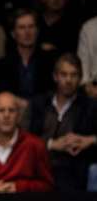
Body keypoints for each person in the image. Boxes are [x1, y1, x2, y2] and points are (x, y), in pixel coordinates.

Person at [27, 53, 97, 191]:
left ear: (80, 78)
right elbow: (25, 139)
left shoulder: (90, 107)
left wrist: (91, 139)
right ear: (55, 77)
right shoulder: (39, 104)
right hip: (39, 166)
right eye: (64, 75)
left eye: (74, 75)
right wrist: (52, 144)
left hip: (74, 170)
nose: (68, 80)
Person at [0, 9, 56, 100]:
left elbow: (52, 94)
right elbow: (1, 96)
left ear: (37, 31)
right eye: (22, 27)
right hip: (13, 111)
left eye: (31, 27)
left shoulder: (50, 61)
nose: (27, 32)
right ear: (13, 34)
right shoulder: (1, 65)